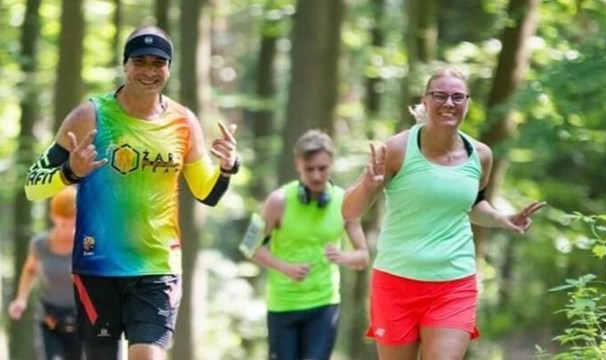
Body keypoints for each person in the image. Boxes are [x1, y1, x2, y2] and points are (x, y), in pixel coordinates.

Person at [24, 26, 239, 360]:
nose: (150, 71)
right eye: (141, 61)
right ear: (125, 65)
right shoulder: (89, 117)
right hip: (97, 267)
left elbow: (206, 194)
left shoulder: (184, 122)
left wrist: (226, 168)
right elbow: (32, 185)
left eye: (159, 63)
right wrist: (70, 172)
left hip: (157, 266)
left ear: (168, 68)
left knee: (146, 355)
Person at [341, 67, 546, 360]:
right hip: (396, 281)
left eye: (457, 97)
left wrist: (503, 218)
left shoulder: (481, 155)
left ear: (467, 103)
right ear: (425, 101)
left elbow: (472, 205)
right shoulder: (397, 149)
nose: (448, 103)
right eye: (439, 95)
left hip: (453, 283)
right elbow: (350, 211)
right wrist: (366, 184)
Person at [250, 129, 370, 360]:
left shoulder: (345, 202)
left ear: (331, 164)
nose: (316, 176)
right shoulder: (277, 201)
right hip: (283, 305)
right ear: (298, 165)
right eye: (310, 169)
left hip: (323, 305)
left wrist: (342, 257)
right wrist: (285, 267)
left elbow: (363, 256)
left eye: (322, 168)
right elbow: (250, 247)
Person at [9, 186, 83, 360]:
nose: (69, 230)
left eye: (74, 223)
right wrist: (21, 299)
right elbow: (30, 270)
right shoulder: (40, 245)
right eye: (64, 223)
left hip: (81, 318)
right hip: (50, 318)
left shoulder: (86, 246)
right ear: (53, 217)